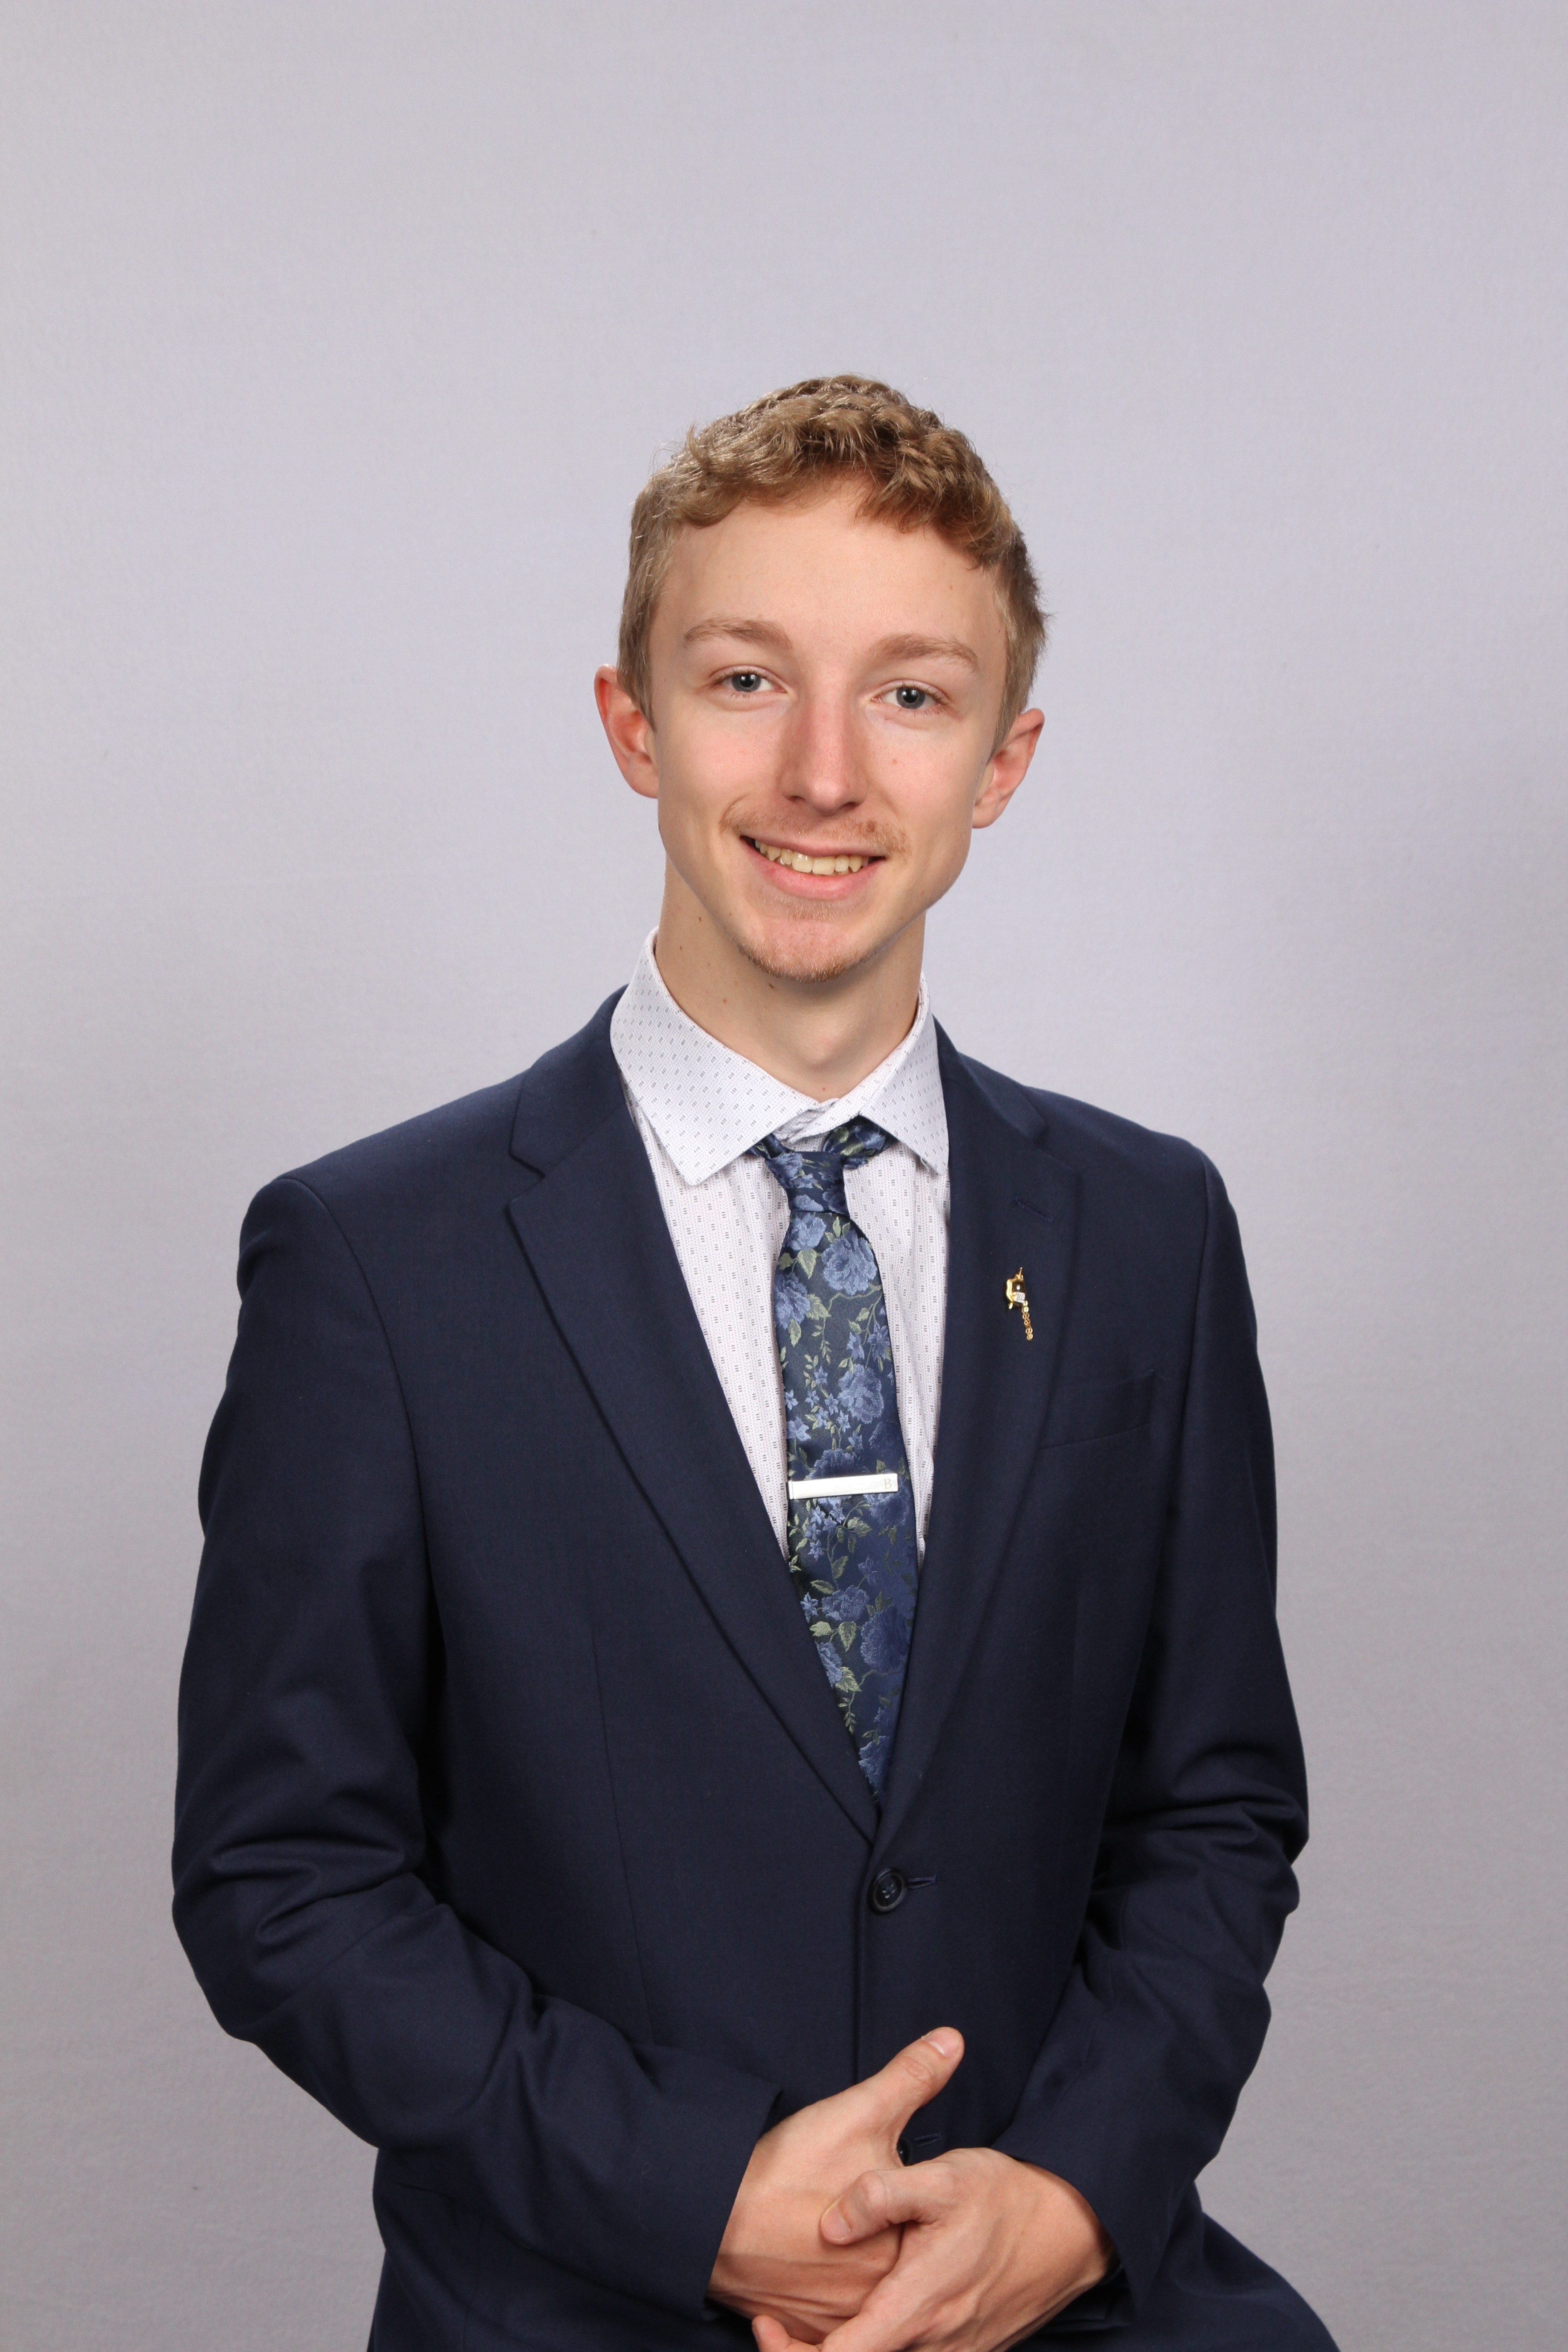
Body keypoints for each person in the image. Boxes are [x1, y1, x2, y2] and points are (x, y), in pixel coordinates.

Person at [173, 376, 1337, 2351]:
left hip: (1065, 2294)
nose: (823, 773)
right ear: (632, 722)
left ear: (1003, 758)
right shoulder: (377, 1263)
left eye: (911, 695)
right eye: (744, 681)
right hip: (586, 2298)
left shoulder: (1151, 1233)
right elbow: (282, 1874)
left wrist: (1071, 2194)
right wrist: (696, 2195)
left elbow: (1213, 1808)